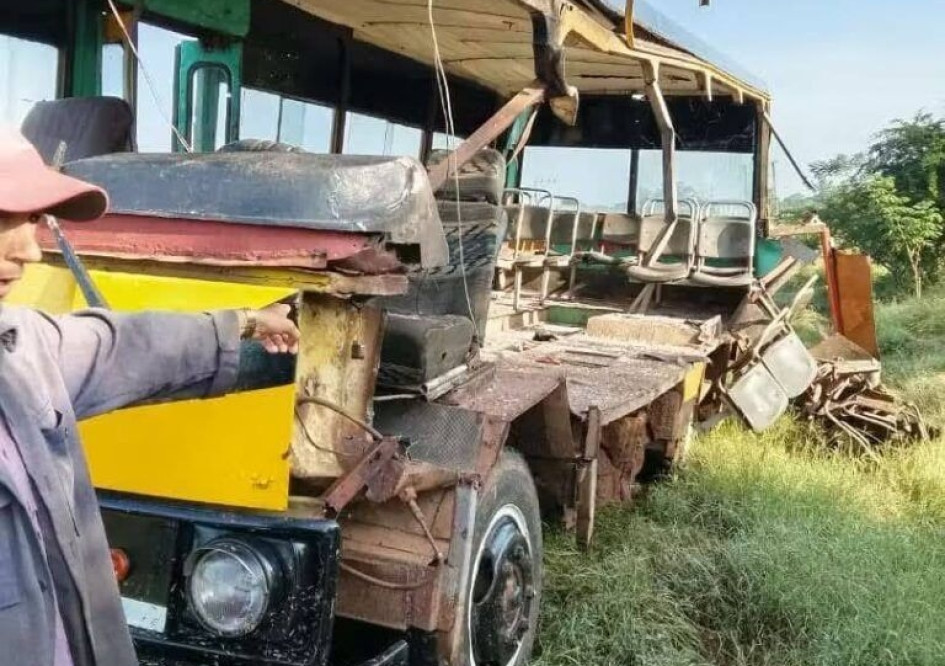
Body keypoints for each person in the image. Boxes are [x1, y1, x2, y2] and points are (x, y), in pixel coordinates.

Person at [0, 127, 301, 666]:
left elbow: (128, 349)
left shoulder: (20, 347)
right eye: (4, 217)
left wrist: (243, 323)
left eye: (31, 221)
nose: (28, 250)